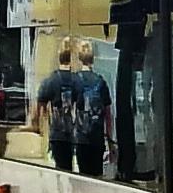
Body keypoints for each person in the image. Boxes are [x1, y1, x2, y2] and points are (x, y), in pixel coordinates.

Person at [28, 38, 111, 178]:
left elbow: (44, 107)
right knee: (95, 176)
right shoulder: (99, 82)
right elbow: (107, 113)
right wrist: (109, 138)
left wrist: (40, 124)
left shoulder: (62, 81)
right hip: (94, 137)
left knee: (68, 175)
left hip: (71, 135)